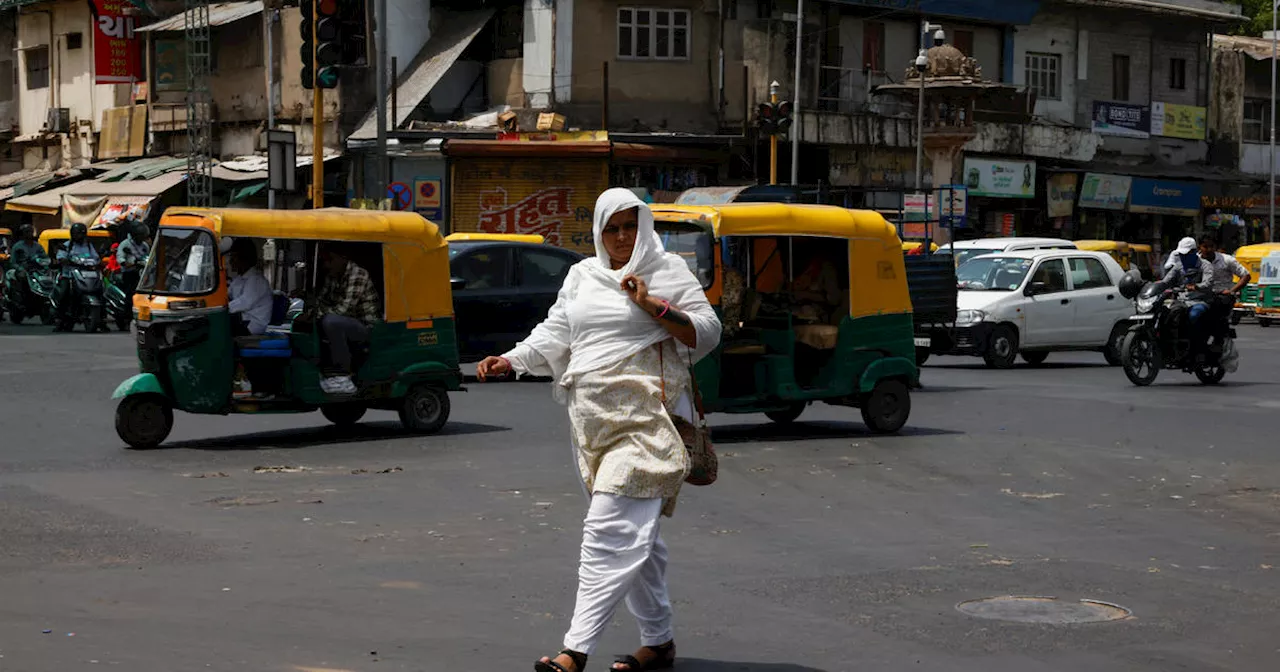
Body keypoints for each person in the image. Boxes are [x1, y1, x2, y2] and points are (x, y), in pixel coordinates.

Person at [475, 188, 721, 672]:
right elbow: (556, 330)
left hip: (651, 420)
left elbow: (708, 331)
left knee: (609, 528)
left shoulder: (668, 272)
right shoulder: (582, 276)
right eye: (613, 228)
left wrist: (654, 306)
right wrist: (513, 359)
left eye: (631, 226)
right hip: (592, 423)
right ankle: (660, 640)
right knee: (638, 534)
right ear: (599, 232)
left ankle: (575, 649)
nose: (623, 236)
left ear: (645, 227)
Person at [302, 247, 380, 395]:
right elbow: (322, 301)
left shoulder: (358, 274)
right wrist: (311, 312)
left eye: (330, 260)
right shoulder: (333, 275)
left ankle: (342, 374)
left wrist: (316, 314)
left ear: (342, 258)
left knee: (331, 322)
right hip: (344, 323)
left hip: (365, 327)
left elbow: (344, 310)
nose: (326, 265)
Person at [53, 223, 100, 330]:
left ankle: (101, 318)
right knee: (64, 293)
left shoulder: (88, 245)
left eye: (81, 234)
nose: (79, 236)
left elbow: (95, 257)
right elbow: (60, 257)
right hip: (69, 275)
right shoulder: (67, 245)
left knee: (100, 290)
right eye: (77, 234)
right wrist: (64, 260)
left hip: (87, 274)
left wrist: (97, 262)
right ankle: (59, 319)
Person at [227, 238, 273, 336]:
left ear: (243, 258)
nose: (230, 261)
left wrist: (223, 308)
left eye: (233, 257)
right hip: (242, 321)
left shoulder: (256, 280)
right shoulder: (239, 279)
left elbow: (245, 303)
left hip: (251, 326)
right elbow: (227, 294)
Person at [115, 221, 150, 295]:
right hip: (129, 273)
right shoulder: (125, 244)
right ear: (135, 235)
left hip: (142, 273)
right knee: (131, 292)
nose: (143, 238)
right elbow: (121, 260)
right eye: (141, 236)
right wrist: (133, 264)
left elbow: (148, 257)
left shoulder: (144, 246)